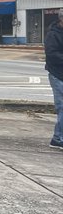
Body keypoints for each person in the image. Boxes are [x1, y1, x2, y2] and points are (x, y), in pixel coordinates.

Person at [45, 9, 63, 150]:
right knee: (62, 107)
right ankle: (58, 139)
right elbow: (52, 55)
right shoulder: (53, 34)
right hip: (58, 74)